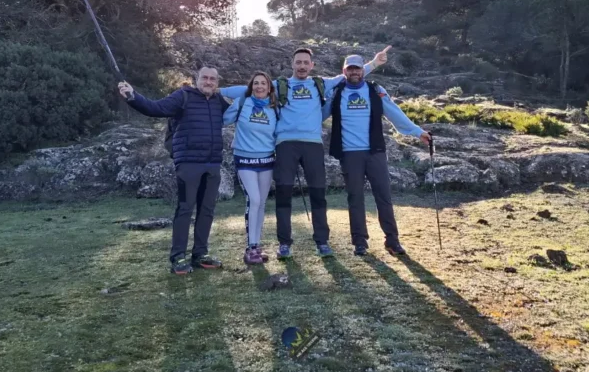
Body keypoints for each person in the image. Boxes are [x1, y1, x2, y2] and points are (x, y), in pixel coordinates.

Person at [219, 47, 390, 259]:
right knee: (283, 195)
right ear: (292, 64)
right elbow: (246, 90)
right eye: (298, 62)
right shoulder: (280, 85)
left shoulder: (321, 84)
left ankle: (322, 241)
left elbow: (351, 73)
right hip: (285, 144)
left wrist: (374, 63)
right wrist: (218, 91)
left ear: (312, 65)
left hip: (312, 145)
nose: (301, 66)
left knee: (318, 194)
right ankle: (284, 243)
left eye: (305, 62)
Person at [118, 67, 230, 275]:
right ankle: (178, 257)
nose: (208, 82)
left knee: (206, 210)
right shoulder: (183, 96)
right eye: (204, 78)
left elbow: (242, 107)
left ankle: (200, 254)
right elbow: (155, 108)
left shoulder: (219, 101)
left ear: (217, 82)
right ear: (196, 79)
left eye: (212, 79)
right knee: (185, 209)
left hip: (213, 163)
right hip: (188, 163)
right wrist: (133, 97)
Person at [323, 54, 432, 257]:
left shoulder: (375, 90)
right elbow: (316, 115)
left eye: (357, 68)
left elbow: (395, 113)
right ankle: (360, 243)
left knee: (384, 196)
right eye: (350, 68)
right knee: (355, 198)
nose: (354, 72)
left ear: (363, 70)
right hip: (349, 154)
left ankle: (392, 241)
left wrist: (418, 132)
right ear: (344, 71)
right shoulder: (336, 93)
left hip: (375, 152)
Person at [222, 71, 280, 265]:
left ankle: (256, 246)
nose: (259, 87)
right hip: (244, 159)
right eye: (256, 83)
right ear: (251, 86)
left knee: (261, 203)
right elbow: (223, 119)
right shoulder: (242, 102)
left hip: (267, 160)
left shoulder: (275, 108)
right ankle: (250, 247)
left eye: (263, 83)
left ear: (269, 87)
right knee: (253, 200)